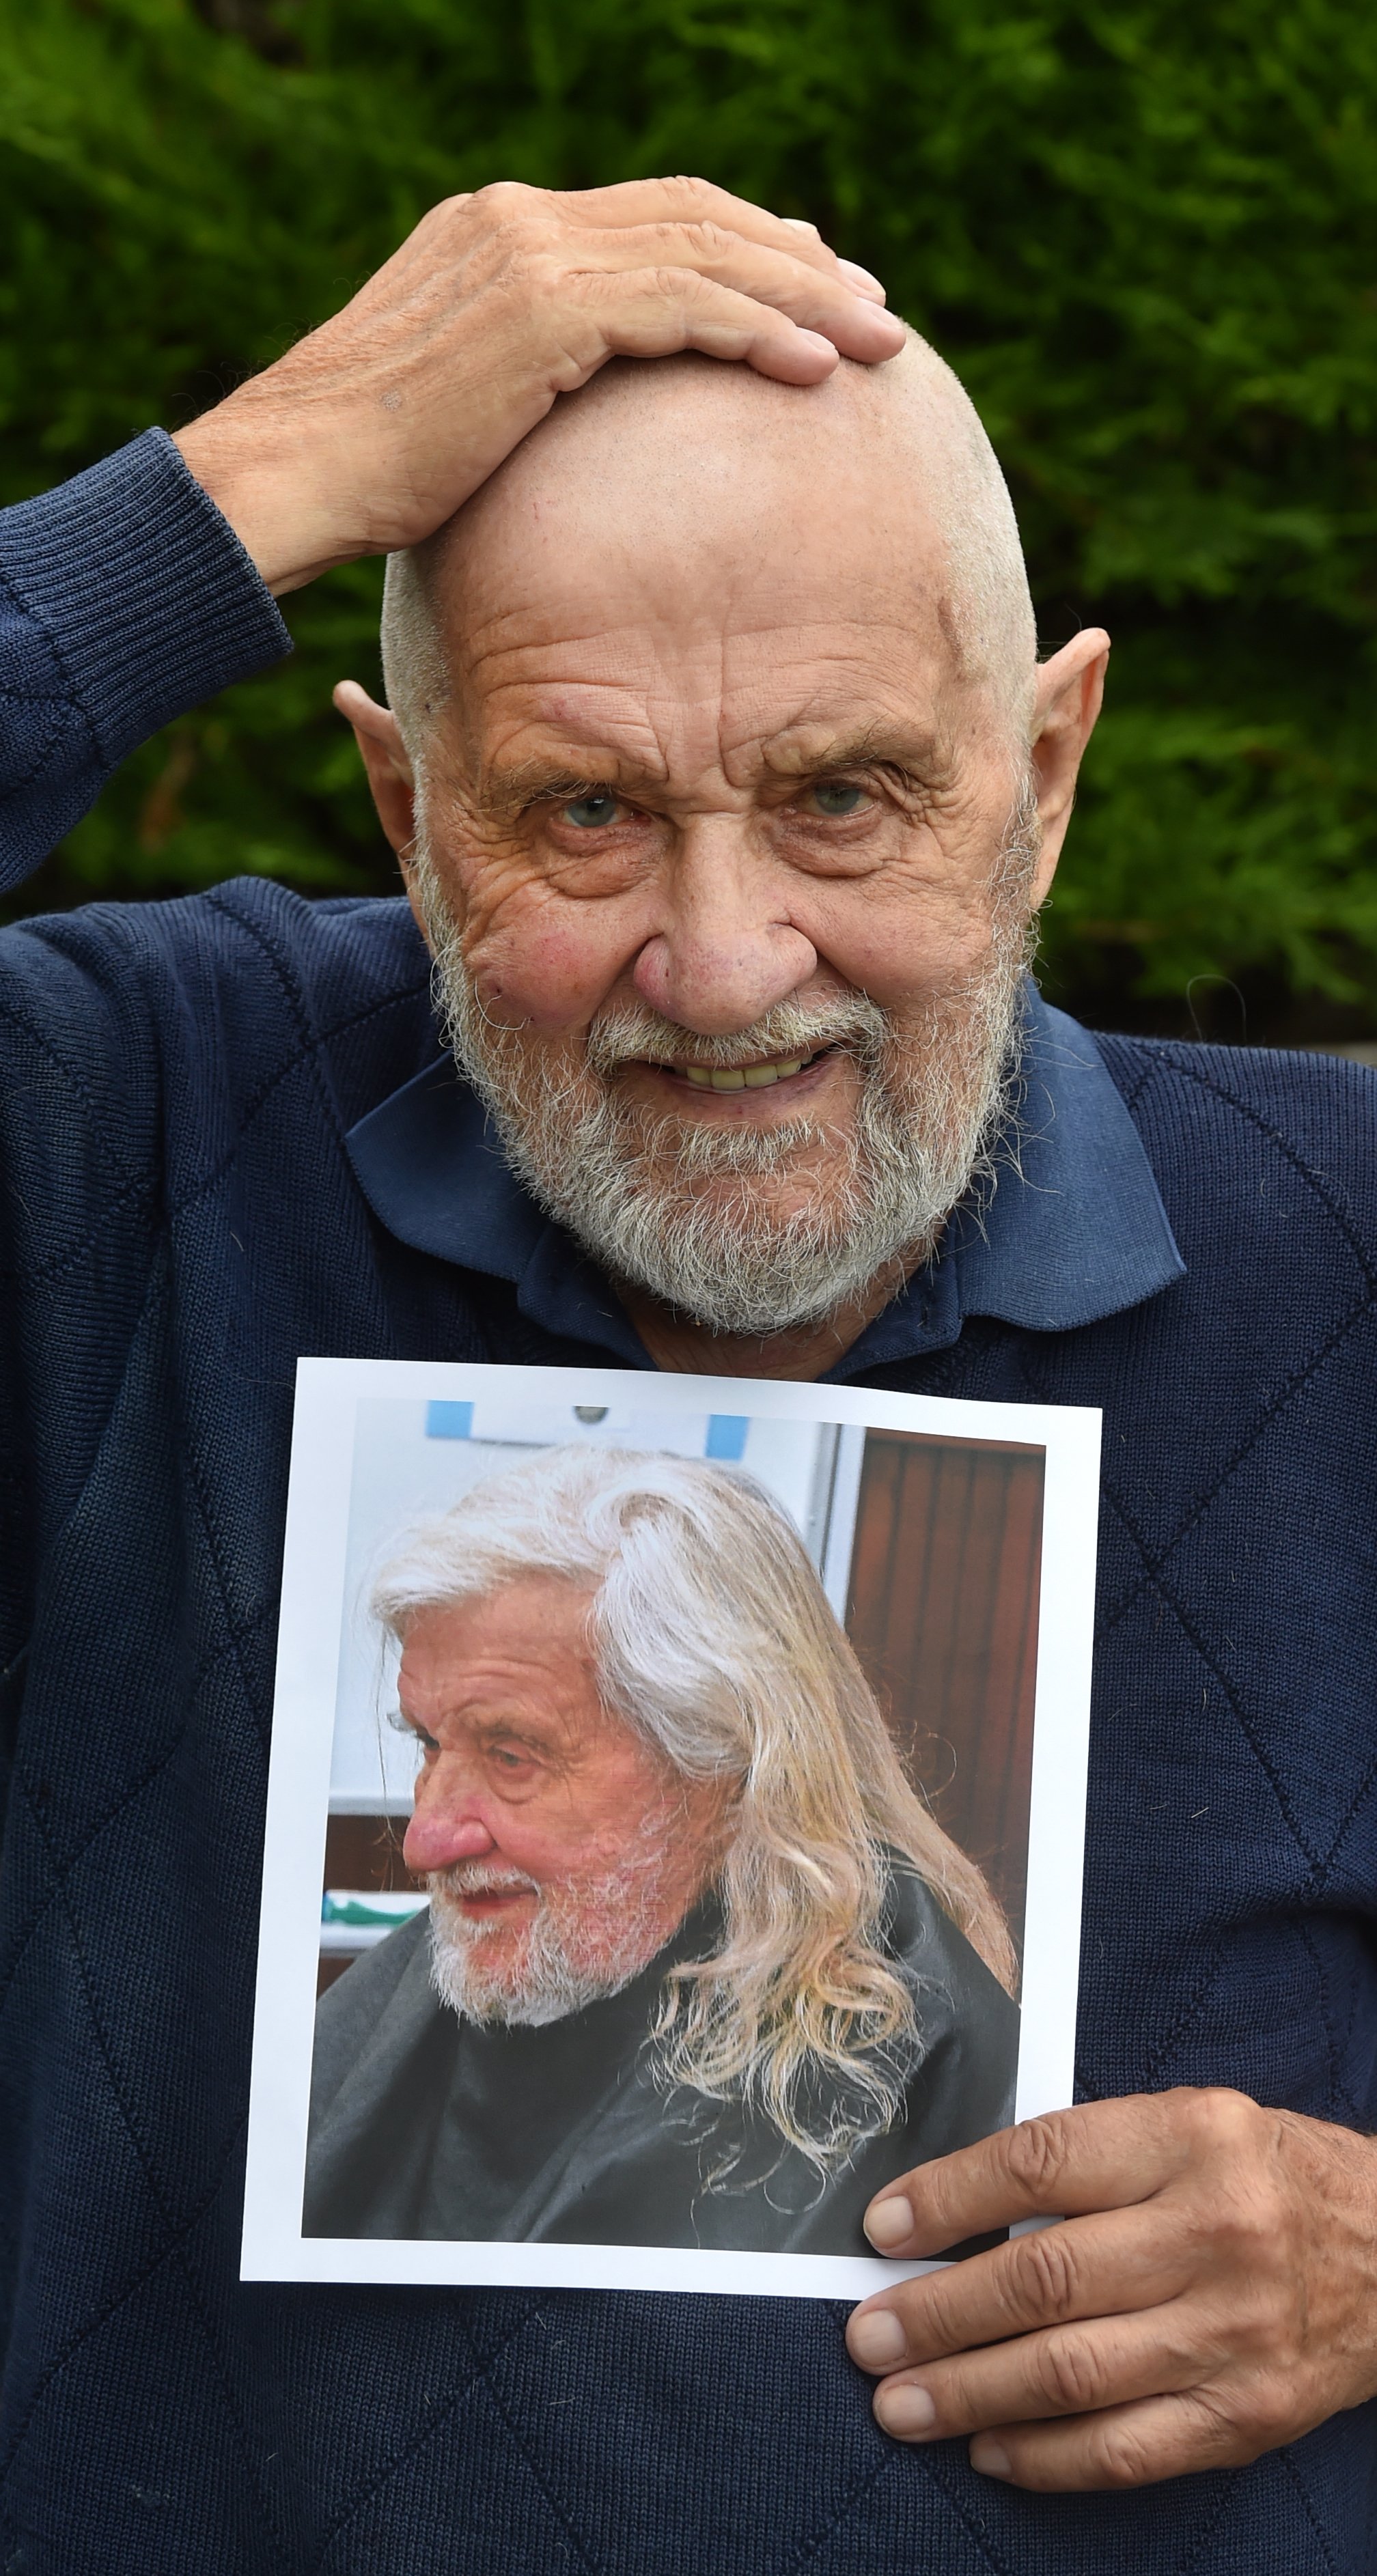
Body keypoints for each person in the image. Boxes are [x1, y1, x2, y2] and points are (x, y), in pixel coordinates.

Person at [0, 176, 1374, 2573]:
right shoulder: (135, 1141)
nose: (725, 969)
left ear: (1043, 771)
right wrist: (239, 491)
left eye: (843, 793)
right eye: (584, 813)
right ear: (408, 816)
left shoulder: (1345, 1254)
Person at [304, 1447, 1018, 2249]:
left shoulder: (909, 2048)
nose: (427, 1842)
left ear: (728, 1759)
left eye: (512, 1757)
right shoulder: (480, 1947)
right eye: (430, 1746)